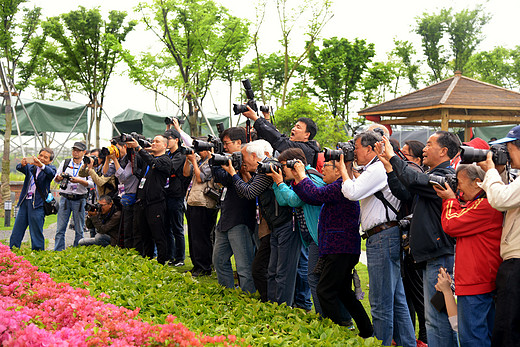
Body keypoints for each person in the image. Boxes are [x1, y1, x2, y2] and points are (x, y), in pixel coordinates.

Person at [378, 131, 460, 347]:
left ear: (443, 151)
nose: (424, 148)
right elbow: (404, 192)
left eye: (430, 144)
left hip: (440, 256)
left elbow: (413, 179)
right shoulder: (431, 175)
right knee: (433, 316)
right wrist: (389, 166)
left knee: (437, 317)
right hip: (431, 256)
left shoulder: (445, 178)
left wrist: (394, 157)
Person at [340, 131, 415, 347]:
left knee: (381, 302)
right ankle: (407, 343)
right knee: (396, 299)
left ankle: (381, 343)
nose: (354, 152)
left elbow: (352, 192)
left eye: (356, 148)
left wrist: (344, 170)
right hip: (386, 235)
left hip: (382, 237)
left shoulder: (377, 168)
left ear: (371, 148)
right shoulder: (375, 168)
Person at [291, 155, 373, 338]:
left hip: (341, 249)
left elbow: (316, 195)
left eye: (326, 166)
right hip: (340, 249)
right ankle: (366, 331)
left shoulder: (340, 186)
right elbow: (311, 198)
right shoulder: (338, 186)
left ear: (338, 170)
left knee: (324, 290)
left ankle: (337, 330)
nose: (322, 170)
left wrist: (302, 175)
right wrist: (298, 178)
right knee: (343, 291)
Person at [433, 163, 502, 346]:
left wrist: (449, 199)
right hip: (479, 281)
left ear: (478, 182)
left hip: (476, 283)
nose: (458, 190)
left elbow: (450, 224)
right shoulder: (478, 204)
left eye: (460, 184)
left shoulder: (485, 206)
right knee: (481, 335)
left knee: (472, 338)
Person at [229, 140, 297, 305]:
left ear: (254, 156)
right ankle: (272, 302)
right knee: (271, 270)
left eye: (244, 158)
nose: (242, 162)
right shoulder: (261, 170)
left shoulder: (268, 168)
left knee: (272, 270)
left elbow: (249, 192)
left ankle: (278, 304)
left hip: (283, 225)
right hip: (274, 226)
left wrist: (233, 173)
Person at [477, 125, 520, 346]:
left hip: (517, 263)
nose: (508, 155)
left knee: (507, 329)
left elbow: (500, 201)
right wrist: (500, 172)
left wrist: (491, 170)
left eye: (509, 149)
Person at [268, 148, 322, 313]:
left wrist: (279, 183)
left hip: (319, 236)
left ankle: (328, 317)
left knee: (316, 279)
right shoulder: (297, 180)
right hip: (310, 235)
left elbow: (295, 200)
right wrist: (278, 184)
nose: (282, 170)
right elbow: (284, 201)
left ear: (294, 164)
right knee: (311, 276)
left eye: (283, 165)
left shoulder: (310, 178)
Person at [212, 127, 257, 293]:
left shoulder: (250, 160)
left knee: (243, 265)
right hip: (226, 217)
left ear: (239, 142)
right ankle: (227, 293)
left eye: (226, 143)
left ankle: (248, 297)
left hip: (241, 218)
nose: (225, 147)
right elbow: (221, 178)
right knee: (219, 260)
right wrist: (216, 160)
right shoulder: (229, 160)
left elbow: (250, 187)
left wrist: (237, 171)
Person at [126, 135, 172, 264]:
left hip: (156, 203)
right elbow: (136, 163)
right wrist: (132, 149)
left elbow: (154, 163)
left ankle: (162, 261)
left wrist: (140, 148)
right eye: (153, 141)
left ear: (165, 145)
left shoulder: (165, 160)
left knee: (158, 235)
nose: (153, 143)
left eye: (157, 142)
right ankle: (148, 259)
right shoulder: (148, 160)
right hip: (142, 202)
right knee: (144, 234)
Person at [9, 148, 57, 251]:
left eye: (45, 157)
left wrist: (41, 165)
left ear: (50, 161)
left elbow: (52, 174)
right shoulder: (31, 167)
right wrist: (22, 164)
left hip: (38, 204)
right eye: (41, 155)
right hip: (25, 201)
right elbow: (19, 168)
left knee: (36, 231)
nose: (42, 158)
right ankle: (12, 251)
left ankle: (38, 253)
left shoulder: (50, 169)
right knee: (17, 229)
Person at [242, 106, 320, 167]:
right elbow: (278, 135)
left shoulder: (306, 149)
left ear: (307, 135)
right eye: (294, 126)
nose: (293, 129)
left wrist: (255, 119)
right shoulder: (297, 144)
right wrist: (261, 118)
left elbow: (278, 140)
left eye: (298, 127)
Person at [183, 147, 219, 277]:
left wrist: (193, 161)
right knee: (193, 236)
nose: (197, 152)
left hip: (204, 203)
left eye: (200, 149)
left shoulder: (212, 161)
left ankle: (204, 267)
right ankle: (196, 265)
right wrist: (189, 160)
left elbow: (200, 178)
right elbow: (186, 174)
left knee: (201, 237)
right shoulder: (198, 160)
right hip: (193, 200)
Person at [54, 142, 94, 251]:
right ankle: (58, 251)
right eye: (74, 150)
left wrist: (79, 181)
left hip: (80, 199)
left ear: (84, 152)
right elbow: (56, 179)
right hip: (65, 198)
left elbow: (91, 183)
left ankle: (78, 251)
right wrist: (59, 178)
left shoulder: (87, 165)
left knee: (79, 229)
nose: (75, 152)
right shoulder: (65, 162)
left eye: (78, 150)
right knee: (60, 228)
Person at [106, 141, 143, 250]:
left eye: (116, 147)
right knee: (126, 228)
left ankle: (134, 251)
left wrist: (115, 160)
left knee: (134, 229)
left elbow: (123, 177)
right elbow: (106, 173)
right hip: (125, 196)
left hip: (133, 196)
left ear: (125, 147)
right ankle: (126, 250)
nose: (115, 150)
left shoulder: (132, 160)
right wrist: (109, 159)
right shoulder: (122, 160)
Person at [164, 128, 188, 267]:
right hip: (167, 194)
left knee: (177, 228)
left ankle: (180, 258)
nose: (166, 142)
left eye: (169, 139)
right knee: (167, 227)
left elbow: (169, 168)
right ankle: (171, 256)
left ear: (176, 140)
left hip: (176, 195)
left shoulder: (180, 155)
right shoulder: (168, 154)